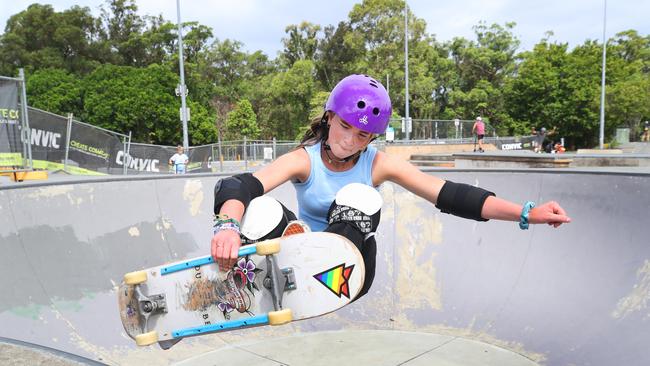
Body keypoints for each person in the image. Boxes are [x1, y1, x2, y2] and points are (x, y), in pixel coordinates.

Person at [211, 74, 571, 300]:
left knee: (359, 197)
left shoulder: (378, 163)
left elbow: (448, 194)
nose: (351, 141)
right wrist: (227, 226)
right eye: (345, 127)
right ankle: (238, 284)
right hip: (303, 251)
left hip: (350, 271)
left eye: (363, 134)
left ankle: (312, 272)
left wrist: (527, 213)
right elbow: (239, 184)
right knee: (258, 208)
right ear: (329, 117)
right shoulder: (304, 159)